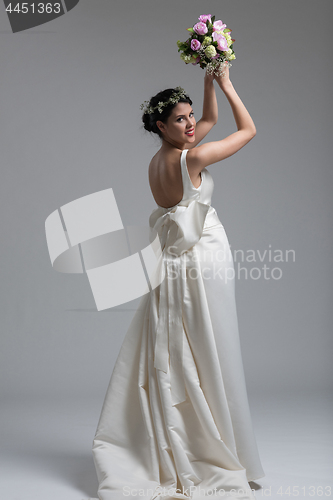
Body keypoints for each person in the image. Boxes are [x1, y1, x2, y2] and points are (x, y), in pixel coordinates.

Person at [92, 62, 265, 500]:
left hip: (175, 265)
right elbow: (248, 131)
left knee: (189, 348)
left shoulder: (159, 160)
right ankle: (211, 445)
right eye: (180, 120)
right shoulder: (196, 157)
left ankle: (186, 435)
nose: (191, 125)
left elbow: (209, 122)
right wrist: (227, 84)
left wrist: (207, 81)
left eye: (189, 116)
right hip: (204, 261)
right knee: (212, 345)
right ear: (160, 125)